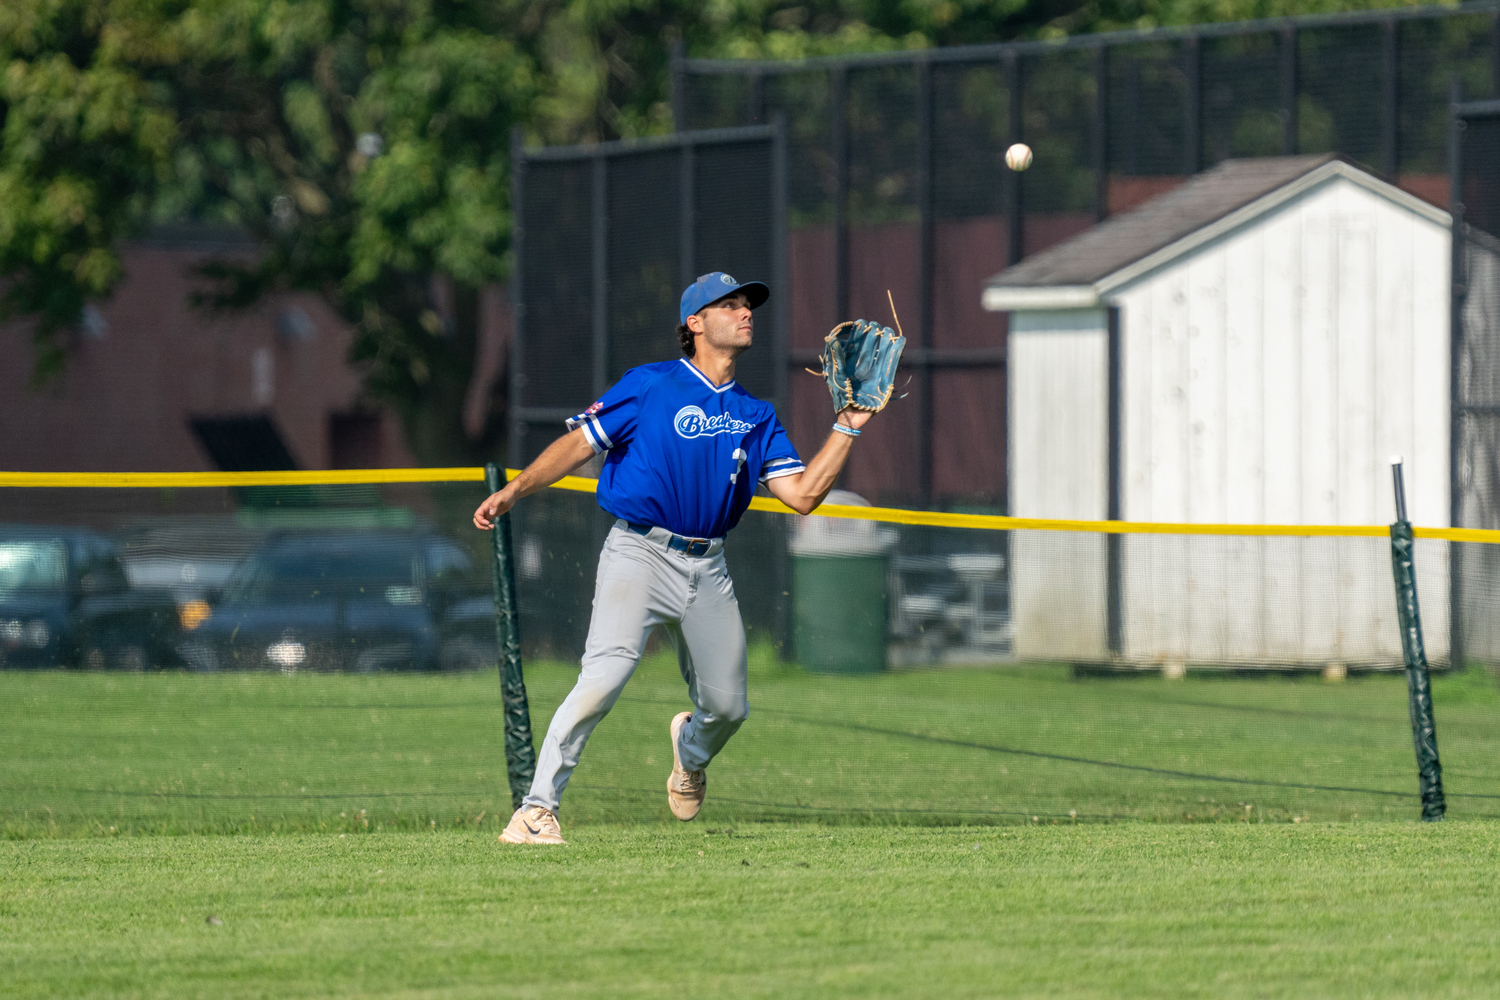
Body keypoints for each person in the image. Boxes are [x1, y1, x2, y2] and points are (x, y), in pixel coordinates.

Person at [474, 272, 874, 845]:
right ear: (694, 322)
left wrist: (847, 427)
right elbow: (579, 444)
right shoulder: (649, 386)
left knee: (729, 706)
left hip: (708, 567)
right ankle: (536, 811)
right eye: (729, 305)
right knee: (603, 677)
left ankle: (690, 755)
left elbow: (805, 496)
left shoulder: (755, 414)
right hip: (639, 551)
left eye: (747, 305)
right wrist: (515, 490)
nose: (744, 312)